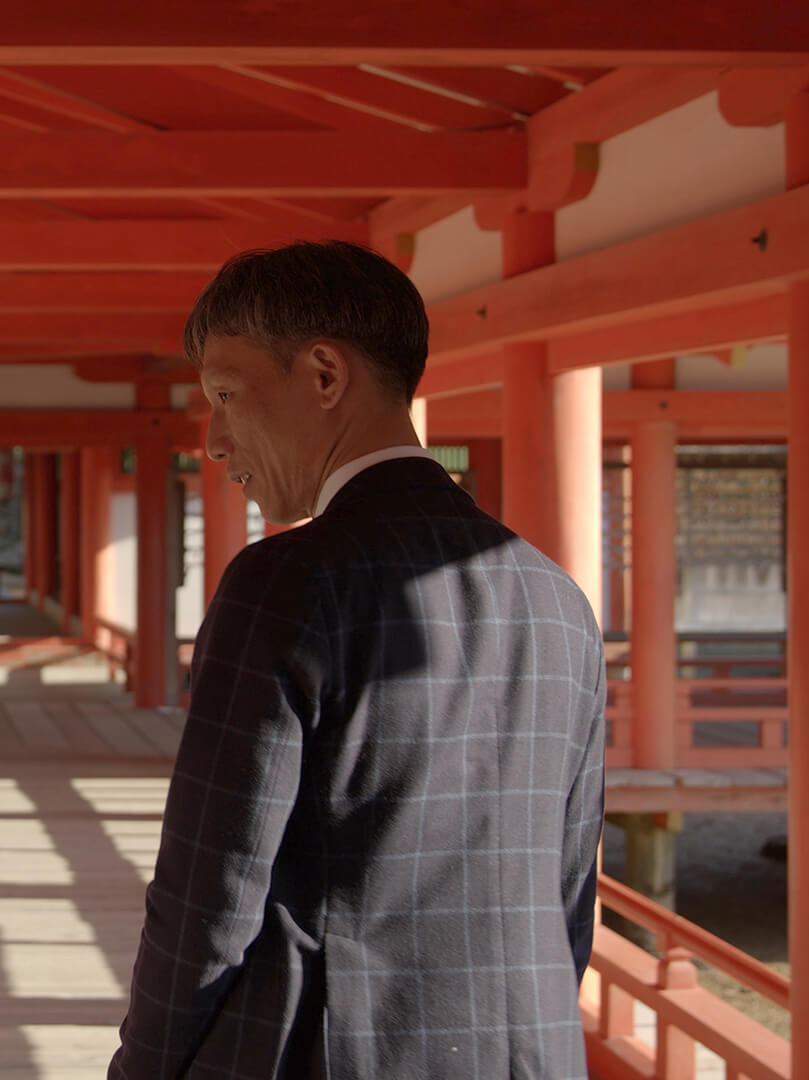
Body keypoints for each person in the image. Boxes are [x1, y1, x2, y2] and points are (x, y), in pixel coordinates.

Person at [110, 242, 605, 1079]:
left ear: (325, 375)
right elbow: (567, 893)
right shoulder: (556, 595)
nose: (216, 439)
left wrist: (144, 1069)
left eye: (227, 394)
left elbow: (210, 896)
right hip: (529, 1051)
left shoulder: (288, 582)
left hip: (331, 1049)